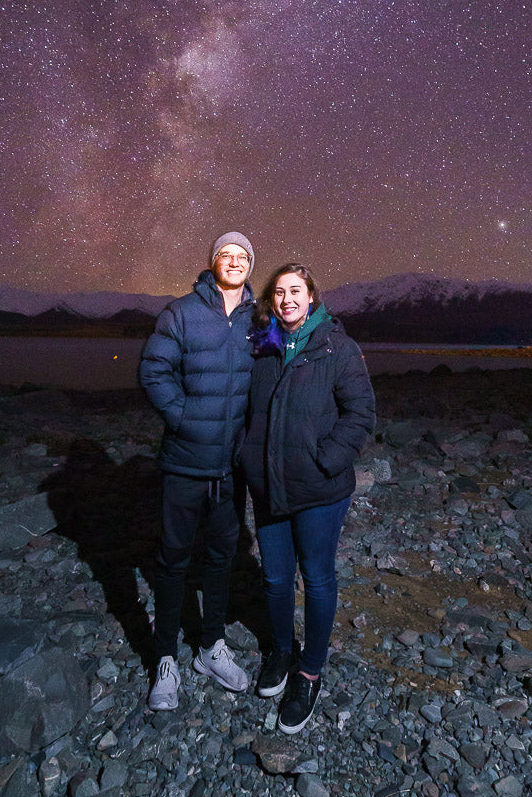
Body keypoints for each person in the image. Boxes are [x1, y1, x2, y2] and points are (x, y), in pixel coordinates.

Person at [238, 263, 376, 733]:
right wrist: (245, 457)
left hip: (318, 490)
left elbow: (361, 413)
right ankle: (281, 649)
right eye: (279, 292)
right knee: (276, 579)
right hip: (268, 485)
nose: (287, 299)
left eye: (296, 291)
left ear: (312, 297)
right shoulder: (263, 347)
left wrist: (325, 460)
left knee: (316, 580)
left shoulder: (337, 347)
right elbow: (246, 411)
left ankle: (310, 671)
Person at [138, 232, 256, 710]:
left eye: (243, 256)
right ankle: (165, 656)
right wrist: (184, 419)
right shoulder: (181, 312)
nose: (234, 261)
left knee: (222, 558)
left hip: (231, 468)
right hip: (185, 463)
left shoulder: (259, 318)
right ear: (212, 263)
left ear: (251, 266)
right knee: (172, 560)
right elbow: (153, 370)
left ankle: (211, 646)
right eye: (225, 255)